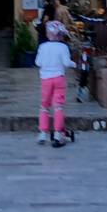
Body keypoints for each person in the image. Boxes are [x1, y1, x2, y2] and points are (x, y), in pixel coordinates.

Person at [35, 19, 75, 147]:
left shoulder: (42, 47)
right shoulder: (63, 47)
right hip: (59, 78)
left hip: (45, 79)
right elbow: (66, 63)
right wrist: (75, 64)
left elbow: (38, 62)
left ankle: (42, 133)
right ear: (60, 35)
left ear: (48, 34)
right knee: (58, 106)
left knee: (44, 106)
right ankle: (58, 133)